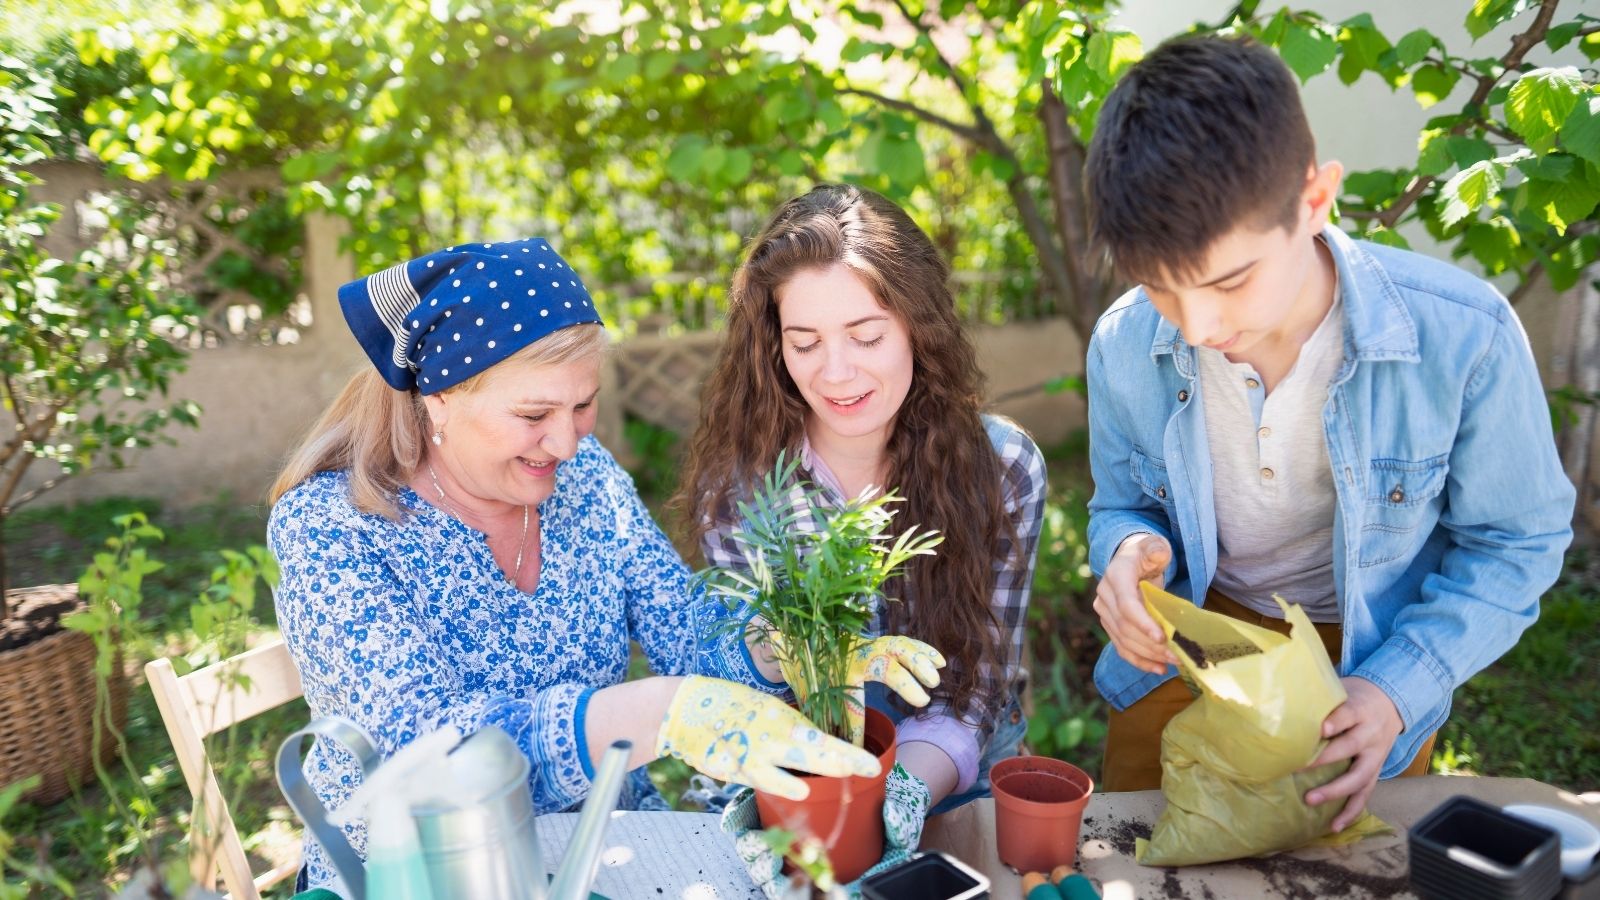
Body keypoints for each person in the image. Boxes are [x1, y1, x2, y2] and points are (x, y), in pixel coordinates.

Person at [268, 237, 902, 893]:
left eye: (583, 405)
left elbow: (684, 629)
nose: (568, 441)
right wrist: (657, 711)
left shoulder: (587, 481)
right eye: (534, 413)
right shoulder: (332, 529)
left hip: (609, 845)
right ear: (439, 399)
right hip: (426, 872)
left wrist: (783, 646)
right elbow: (429, 756)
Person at [1082, 35, 1575, 829]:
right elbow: (1120, 504)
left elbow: (1516, 543)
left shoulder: (1465, 335)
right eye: (1161, 289)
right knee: (1136, 850)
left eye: (1230, 281)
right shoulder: (1123, 342)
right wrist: (1124, 552)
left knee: (1343, 865)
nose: (1200, 325)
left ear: (1315, 201)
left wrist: (1396, 687)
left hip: (1366, 662)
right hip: (1186, 647)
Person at [677, 184, 1048, 818]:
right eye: (805, 342)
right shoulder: (740, 493)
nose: (837, 373)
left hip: (948, 774)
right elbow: (747, 699)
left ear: (918, 330)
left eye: (866, 336)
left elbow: (976, 689)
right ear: (775, 348)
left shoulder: (1003, 469)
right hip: (797, 777)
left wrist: (893, 800)